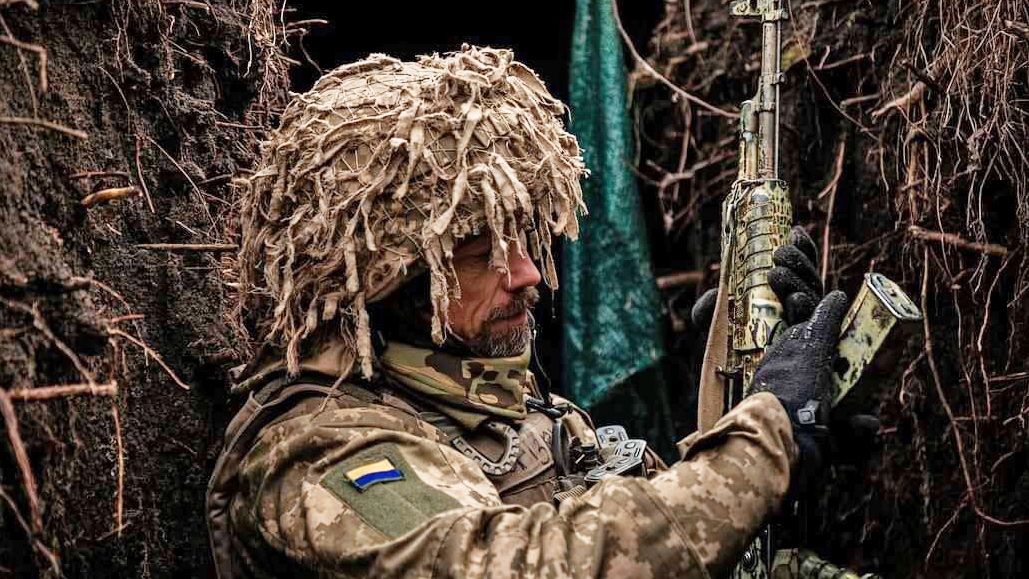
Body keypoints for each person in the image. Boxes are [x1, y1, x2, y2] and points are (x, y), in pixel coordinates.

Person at [206, 45, 847, 579]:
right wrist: (765, 440)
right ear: (388, 283)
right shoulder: (319, 450)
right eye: (481, 255)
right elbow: (522, 564)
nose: (527, 274)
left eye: (525, 239)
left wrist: (747, 407)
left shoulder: (498, 404)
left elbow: (649, 529)